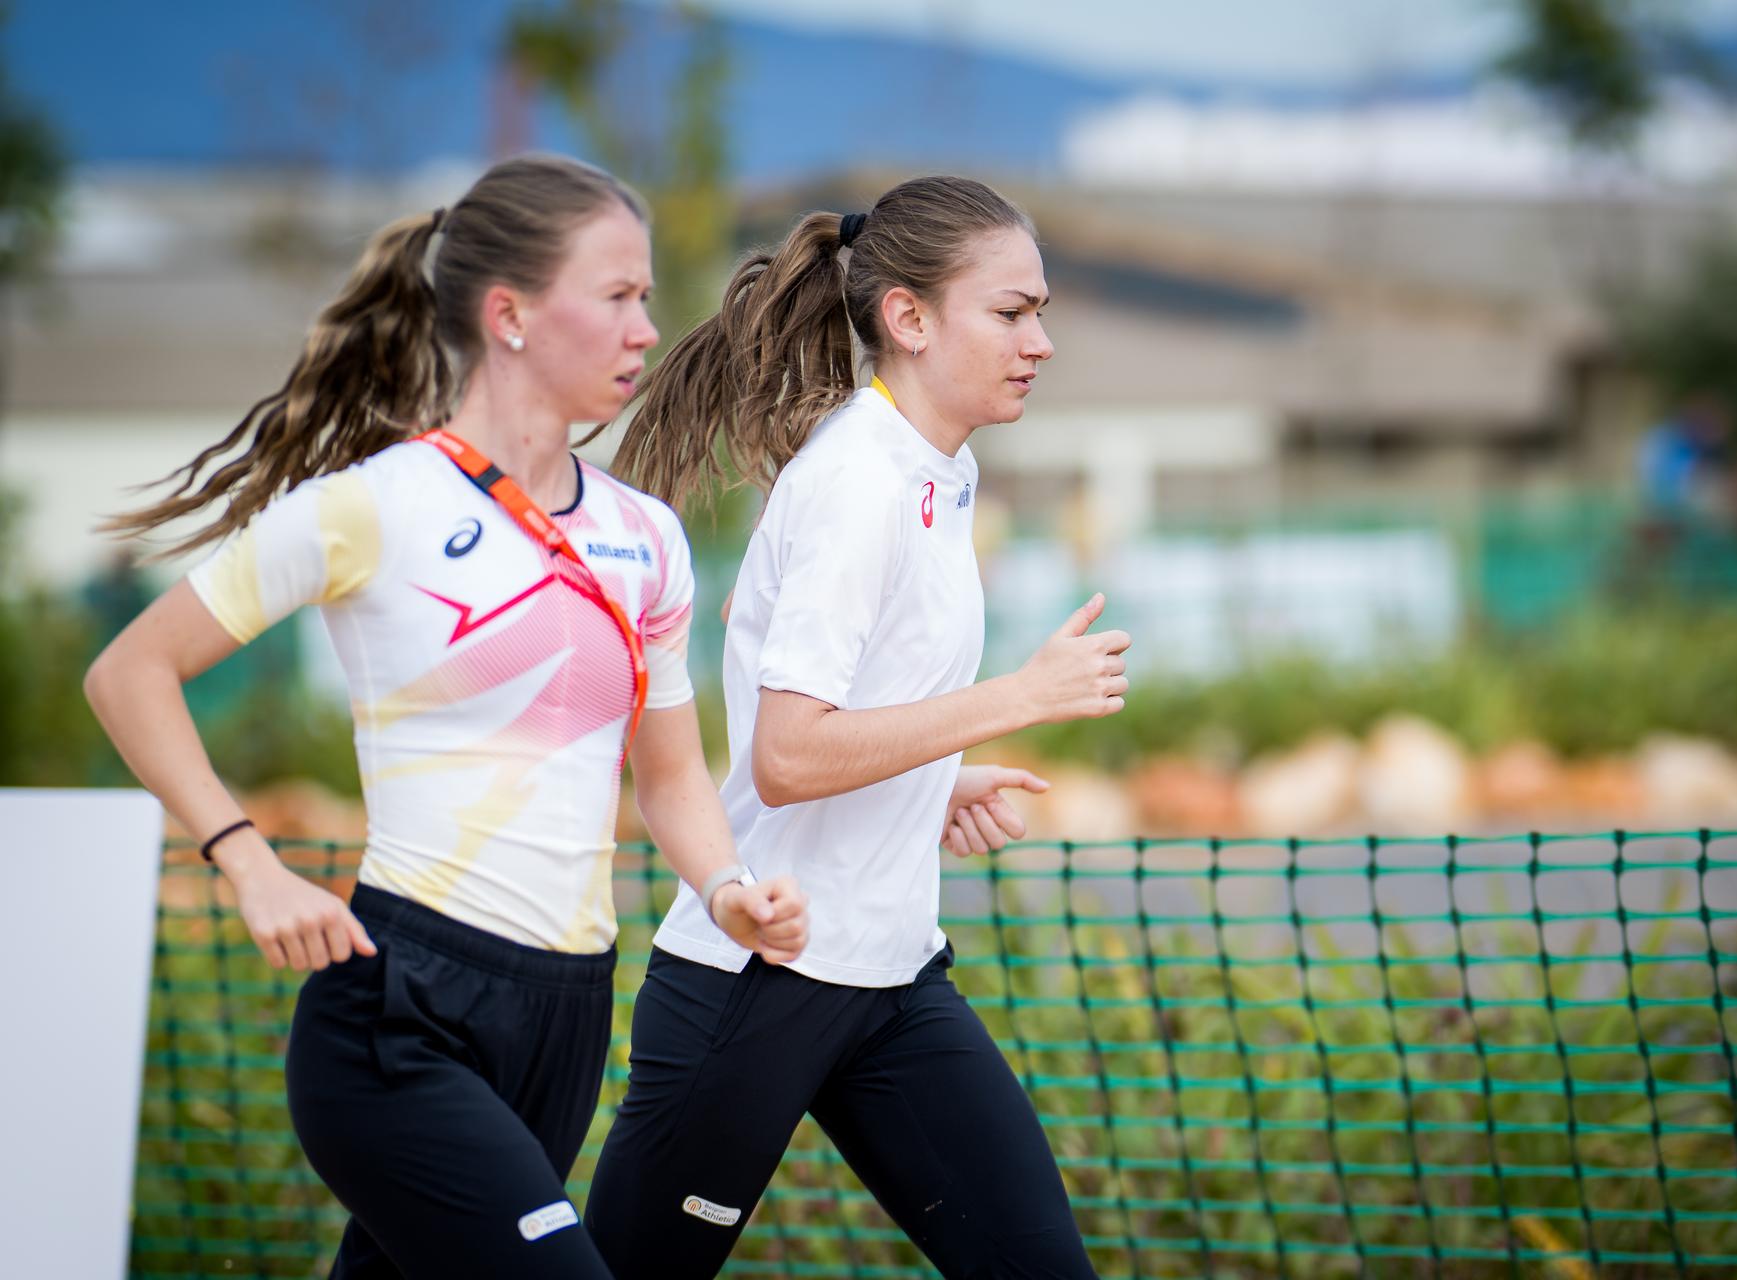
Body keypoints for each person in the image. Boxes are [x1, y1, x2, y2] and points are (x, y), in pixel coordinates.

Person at [83, 154, 807, 1280]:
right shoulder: (373, 506)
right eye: (616, 294)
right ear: (509, 314)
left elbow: (667, 778)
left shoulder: (647, 537)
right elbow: (129, 672)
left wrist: (725, 889)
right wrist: (249, 863)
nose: (646, 328)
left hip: (568, 1009)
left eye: (647, 297)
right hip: (400, 1007)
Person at [584, 175, 1125, 1278]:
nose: (1042, 341)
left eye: (1043, 311)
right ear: (909, 318)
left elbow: (774, 636)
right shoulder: (857, 480)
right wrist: (1018, 696)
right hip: (759, 978)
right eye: (1013, 312)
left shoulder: (939, 470)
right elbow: (783, 758)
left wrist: (938, 776)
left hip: (888, 982)